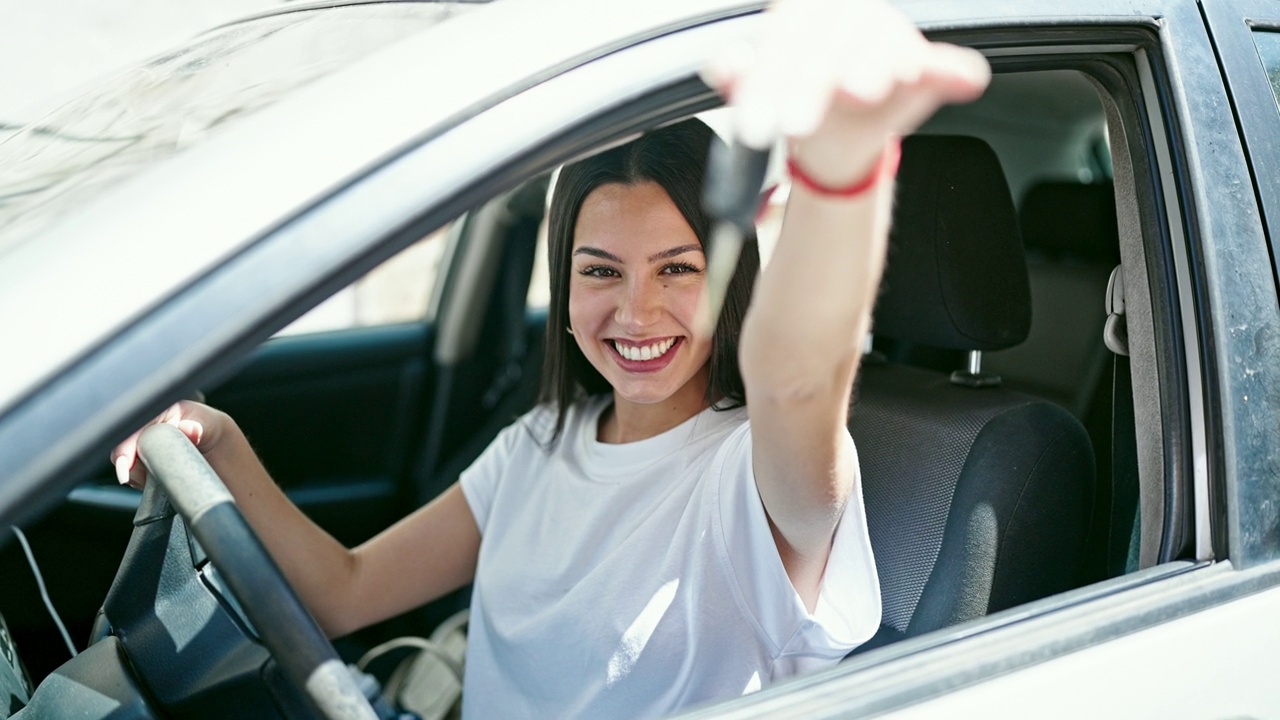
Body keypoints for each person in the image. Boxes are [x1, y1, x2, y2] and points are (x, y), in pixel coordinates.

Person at [110, 0, 990, 717]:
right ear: (562, 287)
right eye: (599, 270)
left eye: (678, 270)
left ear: (730, 280)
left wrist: (843, 174)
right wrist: (220, 443)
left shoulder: (756, 479)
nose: (635, 311)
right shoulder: (538, 445)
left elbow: (798, 379)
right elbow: (343, 591)